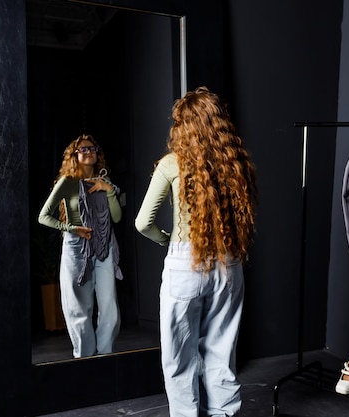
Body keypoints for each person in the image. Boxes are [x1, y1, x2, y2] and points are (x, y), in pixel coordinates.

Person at [135, 86, 258, 417]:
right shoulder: (235, 162)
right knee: (222, 354)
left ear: (182, 125)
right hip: (229, 264)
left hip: (185, 264)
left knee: (179, 359)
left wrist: (167, 241)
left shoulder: (172, 163)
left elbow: (143, 222)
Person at [38, 134, 123, 358]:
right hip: (77, 245)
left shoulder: (104, 181)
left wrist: (109, 190)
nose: (89, 152)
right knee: (78, 307)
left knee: (110, 308)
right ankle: (84, 358)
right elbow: (44, 216)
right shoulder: (68, 182)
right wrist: (72, 228)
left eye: (93, 148)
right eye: (83, 149)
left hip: (103, 246)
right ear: (74, 155)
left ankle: (105, 356)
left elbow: (117, 217)